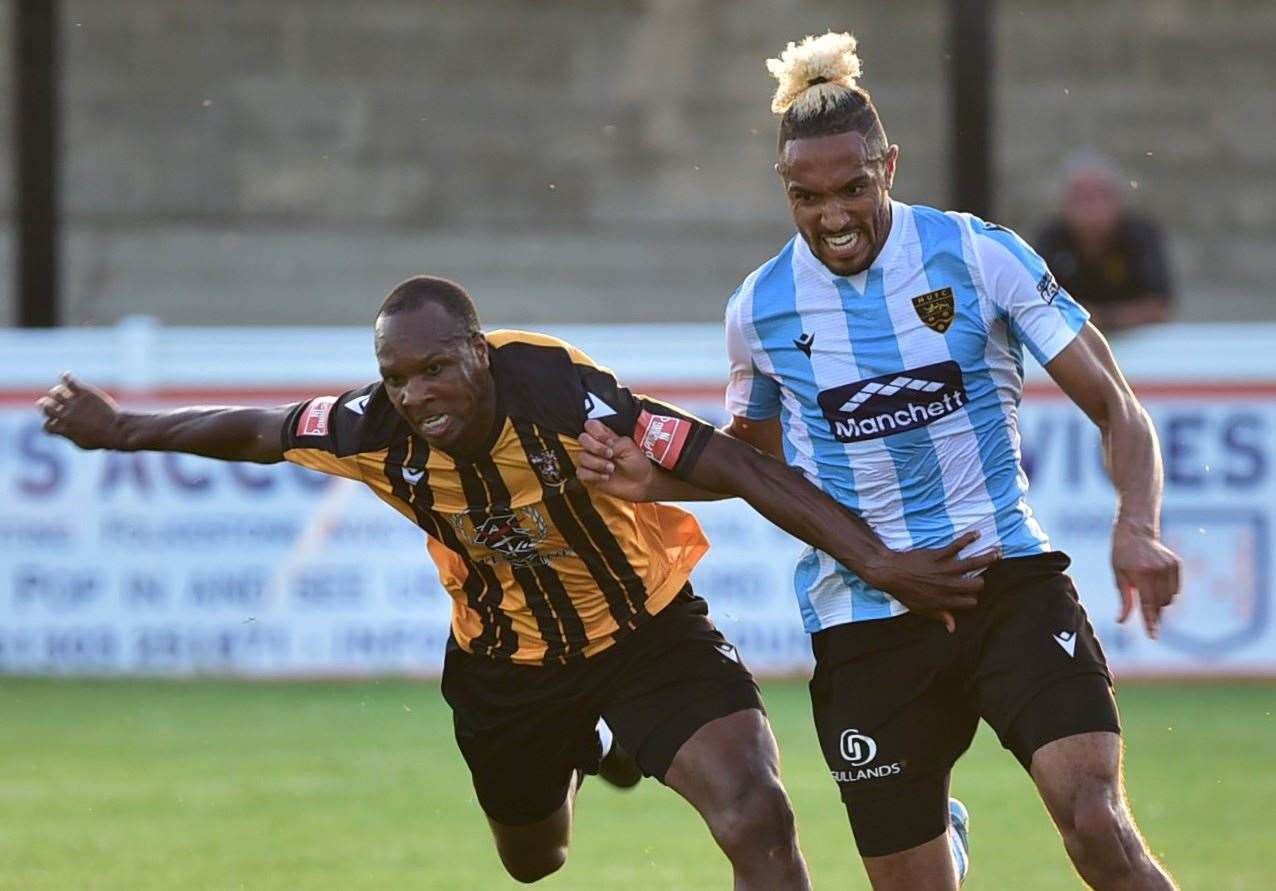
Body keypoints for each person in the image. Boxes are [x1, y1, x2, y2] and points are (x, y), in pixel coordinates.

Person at [37, 275, 995, 889]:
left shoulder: (563, 395)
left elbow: (733, 463)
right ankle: (594, 750)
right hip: (507, 671)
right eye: (398, 377)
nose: (418, 396)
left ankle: (618, 735)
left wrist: (879, 561)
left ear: (479, 351)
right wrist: (122, 430)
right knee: (536, 862)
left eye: (435, 369)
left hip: (649, 634)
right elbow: (260, 430)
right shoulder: (377, 428)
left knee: (759, 814)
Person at [575, 32, 1181, 890]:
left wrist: (1138, 525)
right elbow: (753, 465)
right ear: (784, 189)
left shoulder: (978, 255)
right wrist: (655, 479)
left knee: (1097, 827)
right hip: (863, 615)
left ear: (888, 166)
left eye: (852, 187)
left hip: (1005, 578)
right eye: (805, 196)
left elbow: (1117, 405)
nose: (832, 215)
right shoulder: (761, 308)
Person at [1035, 151, 1173, 335]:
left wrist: (1106, 319)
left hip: (1139, 343)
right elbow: (1038, 305)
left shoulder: (1140, 235)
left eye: (1101, 196)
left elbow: (1158, 305)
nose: (1092, 210)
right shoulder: (1051, 239)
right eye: (1081, 199)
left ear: (1119, 199)